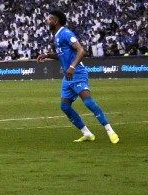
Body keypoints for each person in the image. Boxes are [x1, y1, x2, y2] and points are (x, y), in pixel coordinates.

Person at [47, 12, 116, 144]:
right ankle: (87, 133)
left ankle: (110, 131)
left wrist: (72, 67)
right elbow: (62, 56)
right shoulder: (56, 36)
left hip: (77, 73)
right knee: (65, 106)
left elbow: (81, 50)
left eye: (50, 19)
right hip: (68, 76)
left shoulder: (65, 33)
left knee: (88, 102)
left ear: (56, 21)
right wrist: (47, 55)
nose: (47, 21)